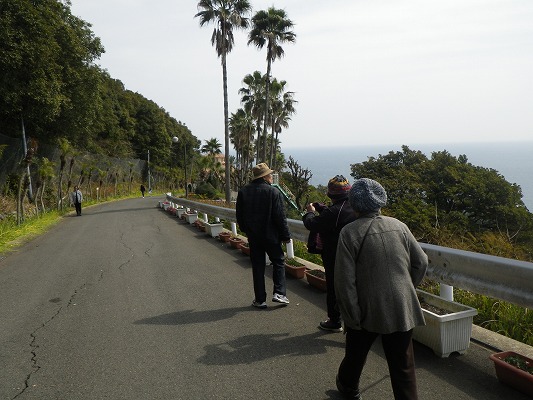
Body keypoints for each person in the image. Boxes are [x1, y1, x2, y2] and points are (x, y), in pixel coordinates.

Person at [334, 178, 428, 400]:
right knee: (403, 364)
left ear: (354, 204)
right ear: (380, 200)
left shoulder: (349, 232)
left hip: (367, 307)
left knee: (356, 353)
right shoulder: (399, 226)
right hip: (402, 305)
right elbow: (421, 262)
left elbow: (344, 281)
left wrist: (351, 316)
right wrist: (407, 287)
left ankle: (348, 388)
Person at [302, 175, 355, 332]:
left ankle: (334, 321)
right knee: (354, 287)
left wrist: (310, 212)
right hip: (355, 254)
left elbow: (312, 224)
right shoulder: (354, 206)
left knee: (334, 288)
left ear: (331, 193)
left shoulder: (334, 212)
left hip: (335, 255)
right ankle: (358, 324)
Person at [236, 163, 291, 308]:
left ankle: (260, 300)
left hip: (254, 236)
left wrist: (246, 230)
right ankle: (279, 293)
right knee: (278, 261)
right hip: (271, 235)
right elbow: (280, 217)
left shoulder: (243, 192)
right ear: (265, 176)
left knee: (258, 266)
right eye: (270, 174)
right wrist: (285, 235)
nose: (272, 176)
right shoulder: (273, 192)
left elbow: (240, 216)